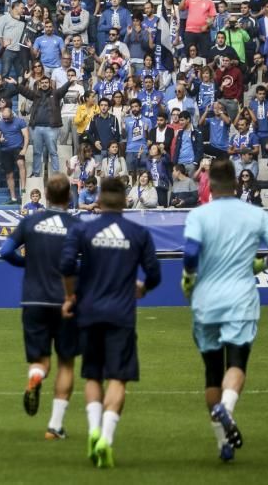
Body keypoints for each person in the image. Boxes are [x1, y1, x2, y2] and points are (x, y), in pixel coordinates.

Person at [180, 159, 268, 462]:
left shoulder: (199, 214)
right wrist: (261, 264)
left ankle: (222, 443)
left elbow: (189, 254)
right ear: (238, 184)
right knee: (236, 363)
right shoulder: (254, 213)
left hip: (206, 301)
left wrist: (188, 279)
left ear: (210, 184)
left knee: (212, 372)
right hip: (241, 300)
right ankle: (226, 409)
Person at [60, 177, 161, 469]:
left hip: (89, 312)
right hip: (122, 315)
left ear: (100, 200)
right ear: (125, 201)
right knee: (118, 377)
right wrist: (142, 288)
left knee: (93, 375)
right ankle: (105, 436)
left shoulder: (83, 229)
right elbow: (154, 274)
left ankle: (93, 430)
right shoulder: (138, 233)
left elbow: (66, 264)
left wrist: (70, 295)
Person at [0, 176, 80, 440]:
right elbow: (87, 263)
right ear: (69, 196)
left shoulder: (30, 221)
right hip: (65, 301)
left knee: (40, 360)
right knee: (66, 362)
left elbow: (5, 250)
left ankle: (35, 376)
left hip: (33, 299)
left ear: (45, 195)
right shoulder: (76, 225)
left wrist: (26, 264)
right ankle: (54, 426)